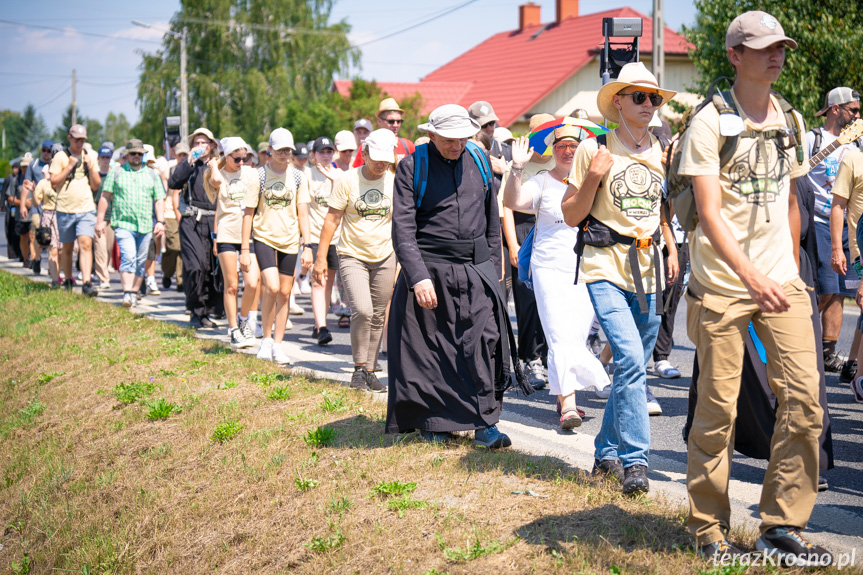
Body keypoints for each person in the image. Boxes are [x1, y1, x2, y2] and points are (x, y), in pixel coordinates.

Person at [677, 12, 830, 564]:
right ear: (735, 55)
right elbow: (711, 215)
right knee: (719, 410)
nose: (777, 56)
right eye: (763, 48)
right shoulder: (709, 124)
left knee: (807, 403)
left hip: (779, 282)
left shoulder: (788, 118)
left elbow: (792, 202)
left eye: (781, 47)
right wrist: (752, 276)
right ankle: (708, 528)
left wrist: (789, 273)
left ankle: (780, 525)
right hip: (722, 285)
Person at [561, 62, 677, 495]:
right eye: (640, 97)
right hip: (603, 266)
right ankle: (635, 462)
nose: (649, 104)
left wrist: (669, 245)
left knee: (631, 368)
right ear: (618, 102)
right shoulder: (595, 149)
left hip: (649, 269)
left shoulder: (661, 151)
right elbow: (571, 214)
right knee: (630, 360)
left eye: (655, 98)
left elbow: (661, 208)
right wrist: (592, 176)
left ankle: (604, 452)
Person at [386, 104, 527, 448]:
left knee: (484, 342)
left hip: (476, 269)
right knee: (431, 350)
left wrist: (494, 272)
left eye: (462, 138)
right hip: (430, 269)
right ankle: (434, 422)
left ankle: (486, 424)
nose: (456, 145)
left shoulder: (478, 160)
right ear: (431, 135)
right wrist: (417, 277)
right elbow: (403, 229)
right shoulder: (411, 167)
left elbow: (492, 221)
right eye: (449, 139)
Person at [505, 126, 610, 429]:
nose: (568, 150)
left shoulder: (594, 182)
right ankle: (569, 405)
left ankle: (564, 392)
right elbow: (514, 201)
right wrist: (517, 168)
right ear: (553, 149)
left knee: (575, 336)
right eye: (562, 145)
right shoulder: (541, 181)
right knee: (559, 334)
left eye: (574, 145)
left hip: (586, 267)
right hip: (547, 268)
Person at [313, 129, 398, 391]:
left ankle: (370, 371)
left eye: (386, 159)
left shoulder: (395, 182)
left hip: (385, 255)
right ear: (365, 153)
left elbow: (401, 223)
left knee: (378, 315)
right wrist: (319, 257)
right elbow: (332, 219)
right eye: (377, 158)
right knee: (362, 310)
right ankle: (359, 368)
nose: (382, 164)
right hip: (352, 254)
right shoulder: (347, 180)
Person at [241, 128, 312, 365]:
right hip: (264, 237)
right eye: (279, 149)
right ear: (269, 150)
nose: (284, 154)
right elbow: (248, 214)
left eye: (287, 150)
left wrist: (308, 245)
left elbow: (303, 213)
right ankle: (266, 339)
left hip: (290, 241)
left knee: (284, 292)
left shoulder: (299, 177)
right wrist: (244, 249)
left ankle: (279, 344)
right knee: (271, 287)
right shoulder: (257, 176)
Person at [808, 87, 863, 375]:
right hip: (818, 221)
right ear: (834, 109)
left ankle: (828, 352)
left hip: (849, 226)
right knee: (825, 288)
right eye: (852, 109)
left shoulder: (858, 144)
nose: (857, 114)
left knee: (843, 290)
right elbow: (798, 172)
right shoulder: (812, 139)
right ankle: (794, 338)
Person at [501, 113, 555, 390]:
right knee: (528, 301)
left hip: (553, 231)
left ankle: (550, 357)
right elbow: (507, 206)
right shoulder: (519, 164)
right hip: (524, 231)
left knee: (553, 300)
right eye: (540, 135)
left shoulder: (563, 160)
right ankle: (530, 357)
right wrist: (512, 244)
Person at [204, 136, 260, 348]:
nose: (241, 163)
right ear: (226, 156)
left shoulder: (251, 173)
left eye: (244, 158)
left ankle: (244, 320)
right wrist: (214, 165)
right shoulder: (218, 175)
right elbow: (216, 182)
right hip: (228, 233)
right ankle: (233, 329)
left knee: (252, 283)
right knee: (232, 285)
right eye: (236, 159)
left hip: (249, 234)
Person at [95, 139, 166, 308]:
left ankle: (134, 293)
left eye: (139, 154)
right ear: (127, 155)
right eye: (133, 153)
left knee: (141, 262)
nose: (136, 156)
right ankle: (127, 293)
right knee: (128, 257)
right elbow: (105, 196)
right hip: (123, 224)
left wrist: (161, 221)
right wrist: (99, 221)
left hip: (145, 225)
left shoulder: (152, 174)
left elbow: (159, 200)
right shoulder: (117, 172)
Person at [168, 127, 224, 329]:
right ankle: (194, 310)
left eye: (204, 143)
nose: (200, 147)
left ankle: (207, 312)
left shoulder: (219, 165)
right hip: (192, 220)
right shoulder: (188, 165)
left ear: (212, 145)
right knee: (195, 267)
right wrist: (189, 161)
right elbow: (174, 183)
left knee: (211, 268)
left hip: (214, 221)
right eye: (196, 143)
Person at [49, 123, 102, 296]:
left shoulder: (89, 157)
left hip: (85, 208)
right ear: (70, 138)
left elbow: (96, 185)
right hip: (65, 209)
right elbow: (54, 182)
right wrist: (70, 166)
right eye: (77, 140)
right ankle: (68, 280)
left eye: (83, 140)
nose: (80, 144)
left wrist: (91, 167)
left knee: (86, 244)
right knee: (67, 248)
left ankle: (86, 283)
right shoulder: (61, 158)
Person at [831, 148, 863, 403]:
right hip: (859, 250)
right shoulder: (853, 158)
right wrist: (835, 249)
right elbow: (838, 205)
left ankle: (854, 369)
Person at [305, 136, 342, 345]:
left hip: (336, 237)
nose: (326, 156)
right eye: (322, 152)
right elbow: (303, 210)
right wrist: (306, 242)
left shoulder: (341, 175)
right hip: (315, 237)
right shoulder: (307, 176)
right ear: (313, 155)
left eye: (329, 152)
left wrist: (336, 182)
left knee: (328, 284)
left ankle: (321, 321)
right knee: (318, 281)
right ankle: (322, 328)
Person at [23, 140, 54, 275]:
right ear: (41, 150)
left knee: (52, 237)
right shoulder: (34, 165)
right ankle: (36, 258)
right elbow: (26, 185)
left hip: (53, 207)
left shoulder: (55, 165)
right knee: (39, 234)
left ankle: (52, 264)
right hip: (37, 207)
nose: (46, 153)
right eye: (44, 150)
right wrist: (23, 204)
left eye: (49, 151)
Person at [30, 164, 62, 285]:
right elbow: (36, 203)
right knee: (53, 249)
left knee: (61, 251)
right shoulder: (43, 183)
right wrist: (33, 191)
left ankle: (58, 274)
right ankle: (55, 280)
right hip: (48, 215)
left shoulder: (64, 180)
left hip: (62, 214)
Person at [162, 142, 187, 291]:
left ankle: (180, 280)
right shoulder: (170, 171)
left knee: (182, 247)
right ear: (175, 155)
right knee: (173, 246)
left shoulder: (192, 169)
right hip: (170, 212)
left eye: (185, 154)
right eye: (180, 154)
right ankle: (167, 272)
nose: (183, 157)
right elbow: (166, 194)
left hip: (186, 212)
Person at [93, 144, 116, 289]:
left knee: (108, 248)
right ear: (99, 158)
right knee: (100, 247)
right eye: (103, 157)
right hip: (98, 216)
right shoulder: (95, 177)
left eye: (108, 157)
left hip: (113, 216)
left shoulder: (115, 174)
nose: (105, 160)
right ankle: (103, 278)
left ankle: (105, 270)